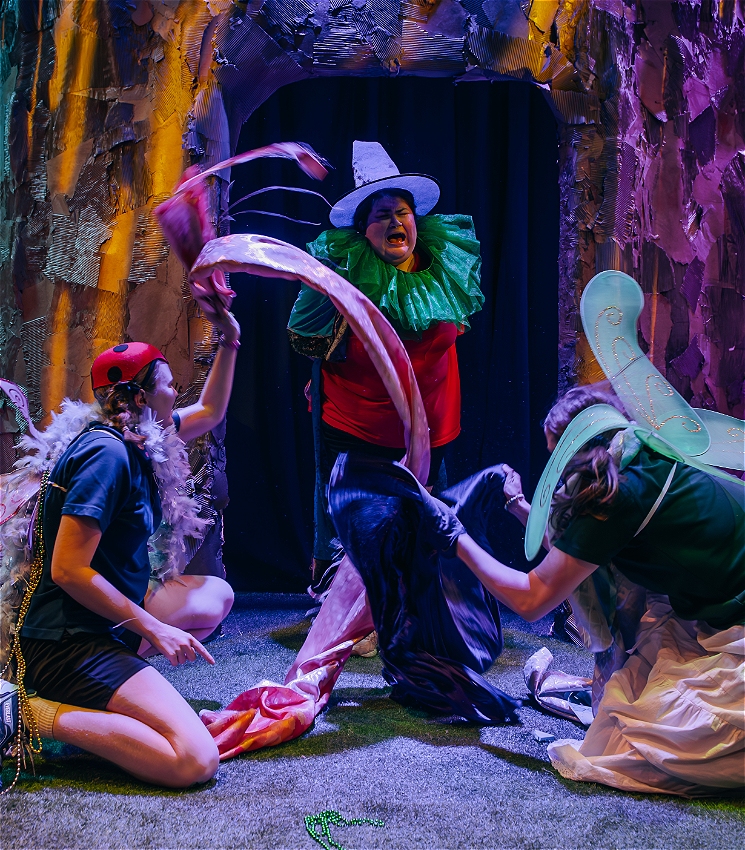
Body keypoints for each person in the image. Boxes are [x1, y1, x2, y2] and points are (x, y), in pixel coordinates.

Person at [374, 382, 744, 795]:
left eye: (558, 461)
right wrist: (517, 505)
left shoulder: (617, 495)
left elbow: (532, 599)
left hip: (734, 617)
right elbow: (578, 554)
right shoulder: (640, 453)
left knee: (643, 742)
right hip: (715, 600)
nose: (558, 475)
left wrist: (455, 537)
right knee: (635, 691)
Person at [14, 309, 240, 788]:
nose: (177, 393)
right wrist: (154, 628)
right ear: (139, 397)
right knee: (193, 761)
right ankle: (29, 712)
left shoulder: (138, 438)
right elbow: (68, 571)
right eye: (169, 385)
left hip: (103, 623)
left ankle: (122, 690)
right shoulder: (107, 455)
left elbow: (210, 412)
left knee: (216, 597)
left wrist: (230, 341)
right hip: (67, 641)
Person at [287, 141, 484, 601]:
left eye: (402, 212)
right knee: (361, 523)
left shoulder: (444, 265)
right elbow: (302, 334)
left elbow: (448, 336)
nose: (395, 223)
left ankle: (417, 603)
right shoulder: (344, 266)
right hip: (357, 420)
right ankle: (350, 606)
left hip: (430, 423)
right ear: (364, 229)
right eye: (381, 215)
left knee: (421, 522)